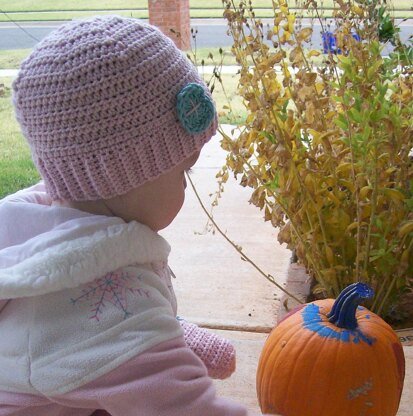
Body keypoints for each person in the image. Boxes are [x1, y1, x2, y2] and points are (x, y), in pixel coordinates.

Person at [0, 15, 268, 416]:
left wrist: (168, 332)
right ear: (123, 176)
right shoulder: (98, 310)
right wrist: (153, 340)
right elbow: (184, 406)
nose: (186, 186)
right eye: (184, 171)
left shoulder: (55, 238)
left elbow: (128, 335)